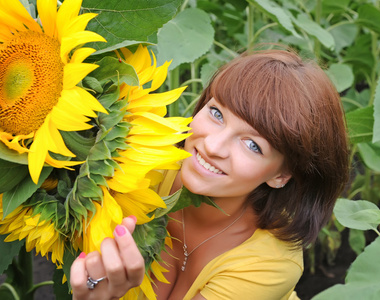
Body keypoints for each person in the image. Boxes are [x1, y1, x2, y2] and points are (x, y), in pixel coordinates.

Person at [70, 48, 350, 300]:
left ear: (281, 175)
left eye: (253, 145)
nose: (212, 146)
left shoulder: (269, 264)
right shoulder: (141, 166)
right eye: (217, 113)